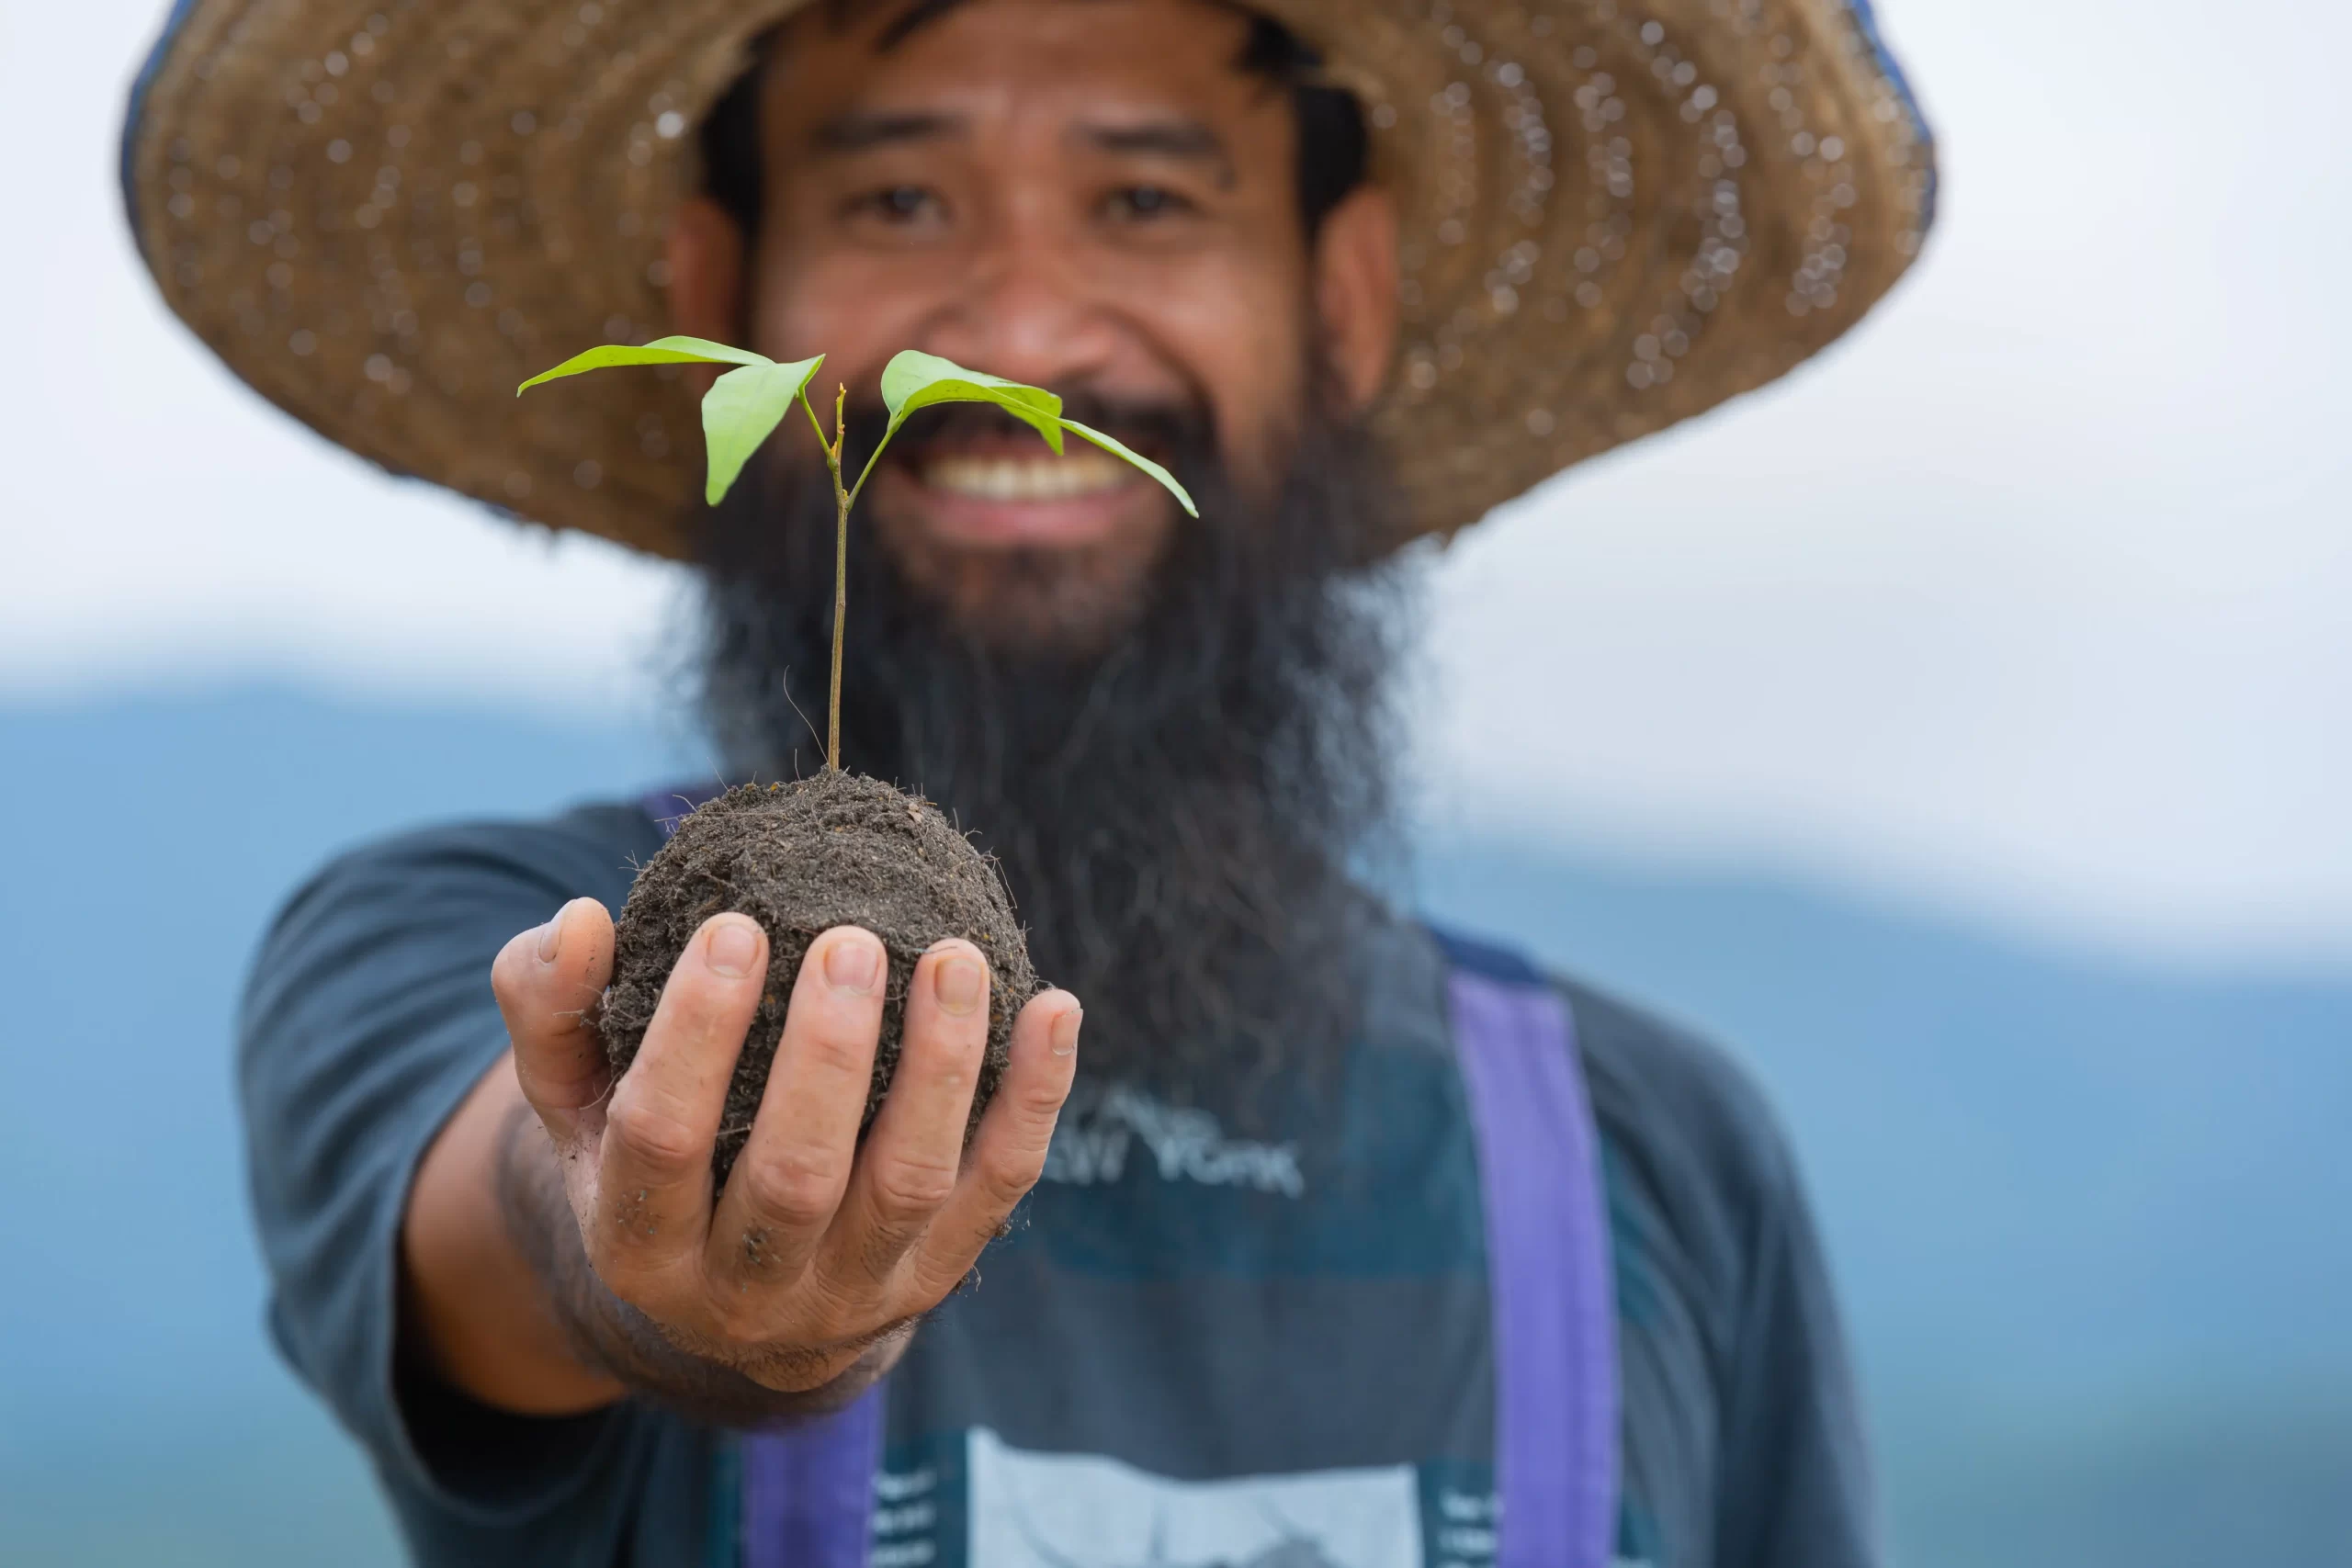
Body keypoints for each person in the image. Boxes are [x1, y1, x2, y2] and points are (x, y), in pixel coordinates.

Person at [123, 0, 1935, 1562]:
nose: (1014, 334)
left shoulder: (1656, 1158)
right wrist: (652, 1230)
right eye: (898, 199)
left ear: (1341, 298)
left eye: (1143, 202)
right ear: (713, 295)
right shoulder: (476, 940)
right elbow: (522, 1224)